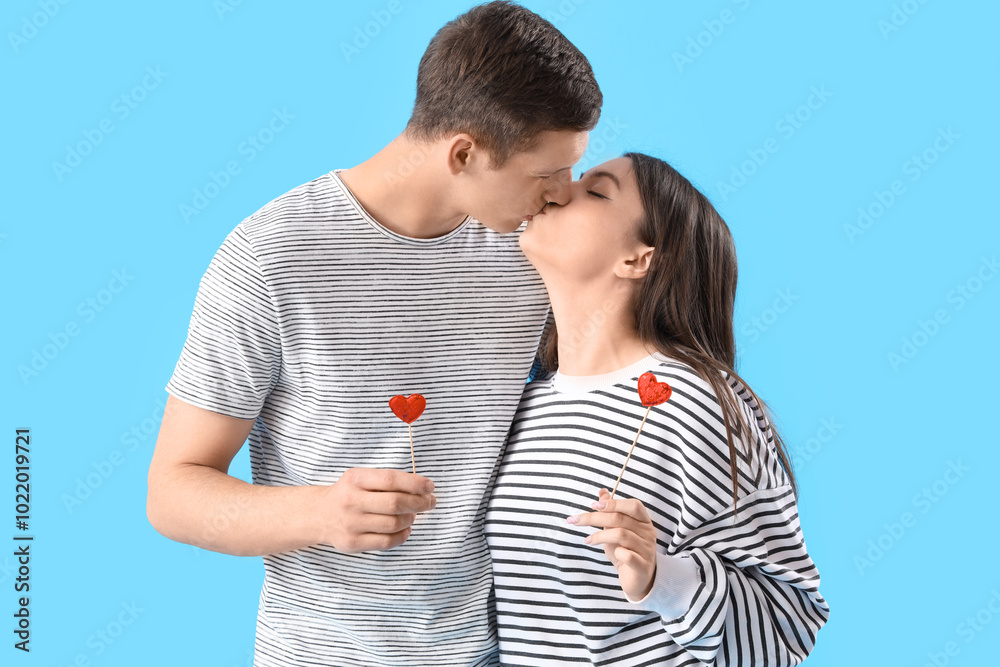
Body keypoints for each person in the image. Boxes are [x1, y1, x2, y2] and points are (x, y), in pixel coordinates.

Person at [145, 3, 601, 665]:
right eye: (545, 173)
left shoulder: (534, 253)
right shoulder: (271, 258)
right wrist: (321, 513)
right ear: (464, 153)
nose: (564, 194)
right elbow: (173, 491)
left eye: (573, 167)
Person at [484, 153, 830, 665]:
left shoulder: (695, 403)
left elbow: (788, 624)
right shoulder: (519, 401)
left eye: (596, 191)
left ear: (639, 258)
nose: (560, 190)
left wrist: (661, 577)